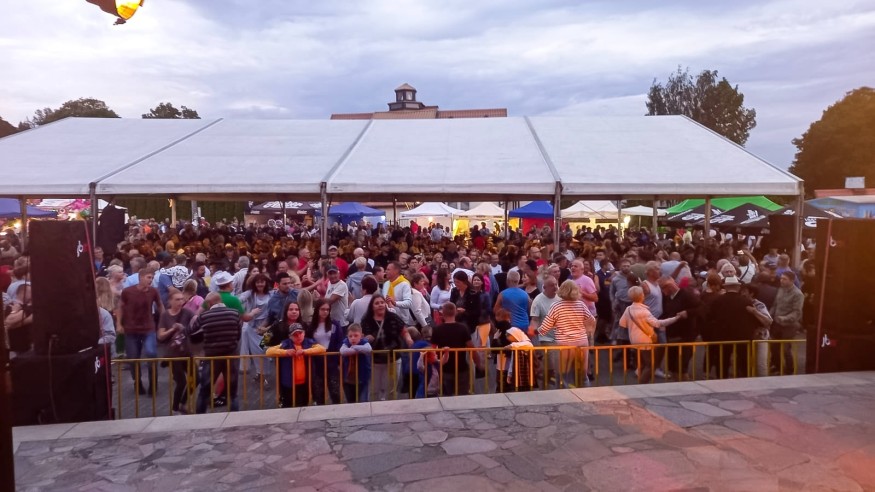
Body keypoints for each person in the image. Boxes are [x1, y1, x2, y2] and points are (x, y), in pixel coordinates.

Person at [619, 286, 686, 384]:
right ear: (641, 296)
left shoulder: (628, 309)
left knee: (642, 363)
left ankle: (640, 382)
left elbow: (622, 323)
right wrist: (676, 318)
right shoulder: (644, 312)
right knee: (651, 365)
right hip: (645, 341)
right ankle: (642, 384)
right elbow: (658, 324)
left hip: (634, 340)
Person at [190, 292, 242, 413]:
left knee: (204, 391)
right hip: (230, 355)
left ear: (209, 303)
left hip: (212, 356)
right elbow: (238, 335)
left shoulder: (204, 316)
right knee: (232, 392)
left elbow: (192, 332)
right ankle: (235, 418)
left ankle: (199, 418)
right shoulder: (234, 314)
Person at [537, 280, 595, 387]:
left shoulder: (556, 306)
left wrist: (538, 331)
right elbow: (592, 320)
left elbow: (545, 327)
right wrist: (588, 332)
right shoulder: (581, 305)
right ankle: (586, 394)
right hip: (582, 342)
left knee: (562, 376)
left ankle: (563, 395)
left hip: (564, 344)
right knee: (583, 375)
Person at [118, 266, 164, 394]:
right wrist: (119, 324)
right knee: (133, 358)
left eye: (152, 278)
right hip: (131, 328)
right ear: (141, 278)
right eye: (149, 277)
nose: (151, 280)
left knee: (151, 353)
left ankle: (153, 383)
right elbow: (120, 307)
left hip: (148, 327)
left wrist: (163, 322)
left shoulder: (153, 291)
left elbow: (160, 305)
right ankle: (137, 382)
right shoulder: (128, 291)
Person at [361, 294, 413, 401]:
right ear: (372, 306)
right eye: (377, 303)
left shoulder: (393, 317)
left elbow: (404, 330)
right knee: (374, 388)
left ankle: (390, 407)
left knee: (391, 388)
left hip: (393, 358)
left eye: (382, 302)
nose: (380, 305)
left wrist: (408, 339)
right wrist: (366, 338)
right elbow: (361, 336)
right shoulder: (366, 320)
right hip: (374, 360)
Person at [706, 276, 759, 378]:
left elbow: (709, 317)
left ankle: (722, 380)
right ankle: (745, 380)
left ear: (726, 287)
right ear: (738, 287)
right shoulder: (746, 301)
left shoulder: (717, 300)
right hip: (743, 336)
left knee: (722, 361)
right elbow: (753, 319)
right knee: (744, 360)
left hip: (722, 336)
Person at [265, 323, 326, 407]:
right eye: (295, 335)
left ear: (304, 333)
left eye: (300, 333)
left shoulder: (309, 341)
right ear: (290, 336)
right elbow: (268, 351)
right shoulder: (284, 341)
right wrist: (285, 352)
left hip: (305, 382)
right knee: (288, 404)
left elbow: (322, 349)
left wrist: (305, 351)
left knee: (303, 403)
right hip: (288, 382)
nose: (298, 336)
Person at [431, 303, 482, 397]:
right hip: (461, 368)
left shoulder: (437, 329)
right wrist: (479, 364)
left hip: (444, 369)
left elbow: (432, 350)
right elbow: (471, 348)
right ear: (456, 313)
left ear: (443, 313)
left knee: (446, 397)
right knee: (462, 397)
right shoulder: (463, 328)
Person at [157, 288, 194, 414]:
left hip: (187, 351)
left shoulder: (187, 312)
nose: (180, 302)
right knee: (181, 382)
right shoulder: (165, 315)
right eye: (177, 299)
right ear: (170, 301)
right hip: (173, 353)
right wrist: (172, 329)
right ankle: (175, 408)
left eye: (182, 299)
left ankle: (183, 402)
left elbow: (196, 321)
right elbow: (160, 336)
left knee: (196, 379)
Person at [307, 298, 345, 405]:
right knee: (319, 394)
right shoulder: (311, 326)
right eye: (323, 309)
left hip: (332, 362)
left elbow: (339, 341)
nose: (325, 312)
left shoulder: (335, 324)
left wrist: (338, 361)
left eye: (327, 309)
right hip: (317, 363)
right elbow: (308, 341)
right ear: (317, 310)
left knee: (335, 392)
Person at [238, 273, 271, 382]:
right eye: (257, 282)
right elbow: (238, 301)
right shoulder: (250, 293)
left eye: (262, 282)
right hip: (253, 329)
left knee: (264, 350)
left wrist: (265, 325)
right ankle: (260, 374)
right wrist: (249, 313)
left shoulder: (271, 294)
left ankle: (265, 373)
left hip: (267, 329)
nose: (260, 284)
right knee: (257, 353)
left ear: (266, 283)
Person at [770, 271, 804, 374]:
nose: (781, 281)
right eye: (781, 278)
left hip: (789, 326)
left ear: (792, 281)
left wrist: (784, 318)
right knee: (774, 347)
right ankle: (777, 366)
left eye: (784, 279)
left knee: (785, 349)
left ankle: (790, 369)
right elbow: (775, 305)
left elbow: (797, 312)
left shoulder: (798, 294)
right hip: (777, 323)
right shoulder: (781, 290)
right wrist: (769, 315)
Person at [339, 323, 372, 403]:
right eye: (350, 336)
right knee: (351, 402)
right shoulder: (346, 342)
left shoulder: (364, 342)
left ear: (361, 336)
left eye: (356, 335)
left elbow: (368, 349)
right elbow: (342, 351)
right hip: (348, 380)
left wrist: (355, 347)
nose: (353, 338)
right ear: (347, 336)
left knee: (363, 401)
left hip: (362, 379)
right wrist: (357, 351)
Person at [381, 261, 414, 326]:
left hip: (402, 321)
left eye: (388, 269)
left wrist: (395, 303)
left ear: (396, 271)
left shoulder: (405, 284)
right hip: (387, 320)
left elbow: (409, 303)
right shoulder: (386, 284)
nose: (386, 271)